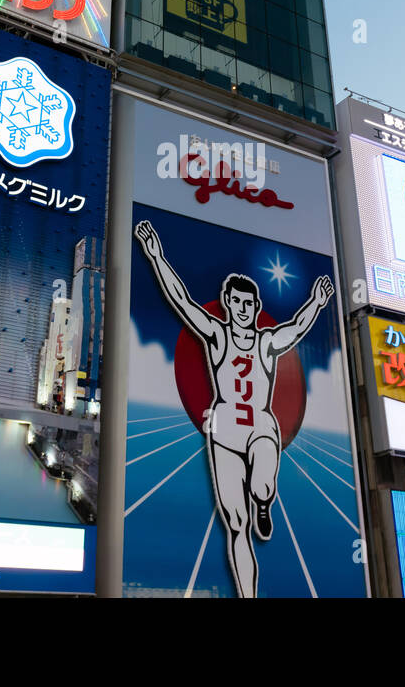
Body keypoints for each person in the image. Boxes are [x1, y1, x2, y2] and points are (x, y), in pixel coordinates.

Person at [134, 219, 334, 598]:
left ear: (256, 307)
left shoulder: (267, 341)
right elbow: (181, 301)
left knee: (261, 484)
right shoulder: (215, 334)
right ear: (228, 304)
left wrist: (317, 303)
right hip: (225, 428)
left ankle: (264, 501)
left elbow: (297, 329)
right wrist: (156, 256)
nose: (242, 309)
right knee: (235, 523)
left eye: (248, 303)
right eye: (236, 302)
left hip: (260, 424)